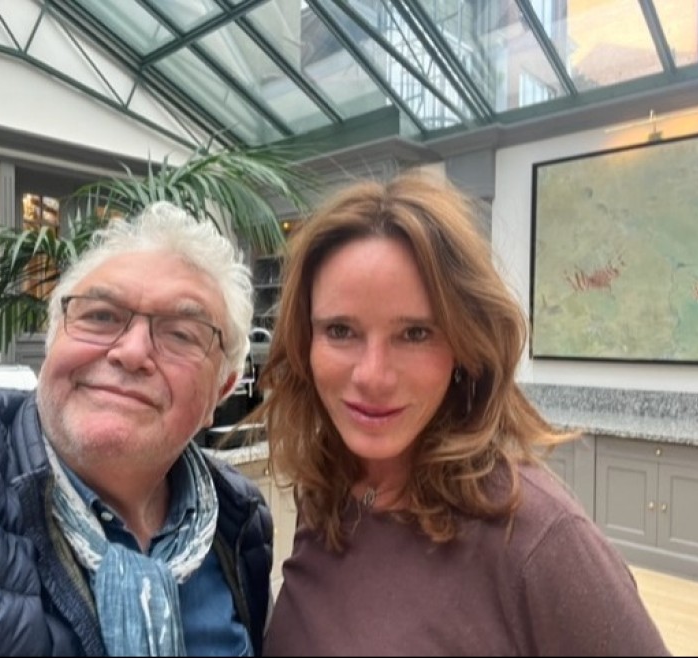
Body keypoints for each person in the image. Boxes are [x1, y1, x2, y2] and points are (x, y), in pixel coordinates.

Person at [252, 172, 670, 656]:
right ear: (304, 343)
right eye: (341, 330)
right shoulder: (326, 497)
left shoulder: (538, 539)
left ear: (464, 347)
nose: (373, 376)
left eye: (415, 334)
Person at [0, 201, 273, 656]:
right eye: (100, 316)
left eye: (181, 334)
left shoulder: (240, 522)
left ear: (221, 391)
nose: (131, 352)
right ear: (53, 337)